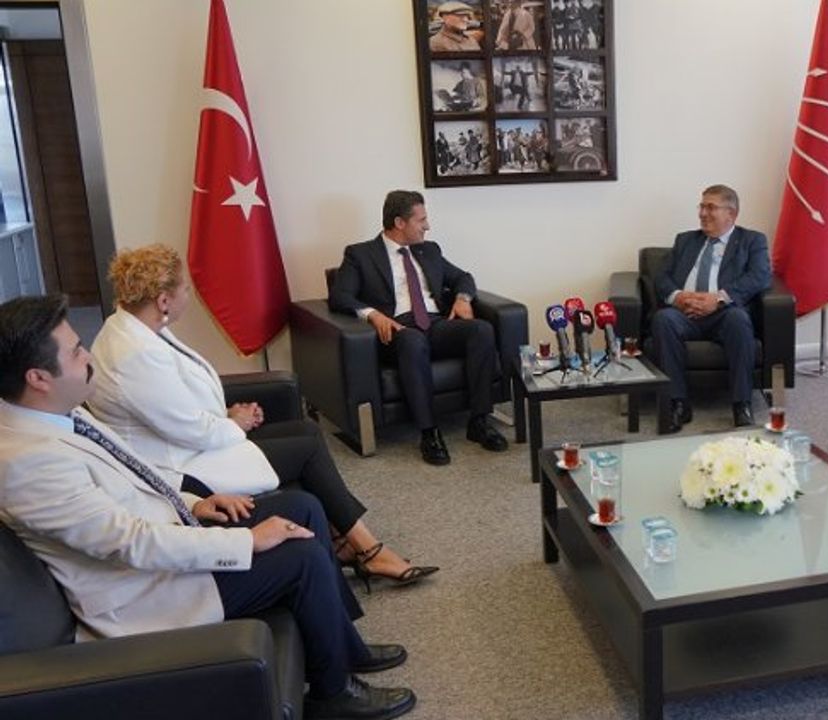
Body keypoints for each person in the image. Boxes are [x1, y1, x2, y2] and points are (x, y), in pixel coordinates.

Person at [0, 294, 416, 720]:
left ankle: (342, 647)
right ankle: (333, 695)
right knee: (302, 557)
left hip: (172, 539)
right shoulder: (26, 461)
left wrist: (196, 504)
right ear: (38, 378)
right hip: (146, 588)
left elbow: (134, 474)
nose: (88, 355)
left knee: (302, 506)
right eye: (75, 351)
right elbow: (130, 543)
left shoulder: (59, 412)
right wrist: (247, 541)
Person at [87, 245, 435, 591]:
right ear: (164, 300)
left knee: (307, 431)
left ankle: (345, 541)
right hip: (181, 468)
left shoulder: (137, 329)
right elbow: (187, 427)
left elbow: (172, 408)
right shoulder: (133, 354)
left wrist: (227, 415)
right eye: (186, 289)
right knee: (306, 450)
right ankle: (369, 549)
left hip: (191, 445)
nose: (188, 296)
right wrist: (234, 423)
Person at [329, 190, 508, 466]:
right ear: (400, 222)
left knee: (480, 330)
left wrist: (462, 299)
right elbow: (340, 296)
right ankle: (429, 432)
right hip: (397, 331)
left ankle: (479, 421)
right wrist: (373, 315)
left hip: (435, 324)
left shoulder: (429, 250)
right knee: (413, 341)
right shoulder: (360, 255)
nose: (427, 226)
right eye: (421, 220)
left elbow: (463, 277)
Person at [651, 184, 772, 432]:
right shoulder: (685, 240)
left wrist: (718, 299)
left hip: (724, 313)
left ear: (731, 214)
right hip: (684, 312)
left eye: (711, 207)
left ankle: (741, 404)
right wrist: (679, 297)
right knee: (663, 320)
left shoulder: (752, 240)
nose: (703, 213)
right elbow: (661, 277)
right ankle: (678, 402)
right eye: (702, 206)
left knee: (739, 319)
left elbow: (760, 276)